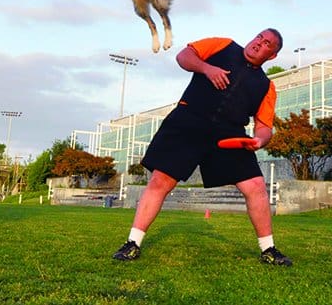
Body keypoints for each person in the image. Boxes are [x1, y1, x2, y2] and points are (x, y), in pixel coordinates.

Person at [112, 28, 292, 266]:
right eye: (259, 36)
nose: (259, 43)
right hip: (189, 122)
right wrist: (207, 69)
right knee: (160, 181)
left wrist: (260, 140)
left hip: (229, 134)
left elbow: (264, 126)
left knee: (256, 186)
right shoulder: (223, 45)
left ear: (272, 56)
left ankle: (268, 250)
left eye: (267, 43)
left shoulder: (265, 86)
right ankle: (132, 243)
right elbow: (184, 56)